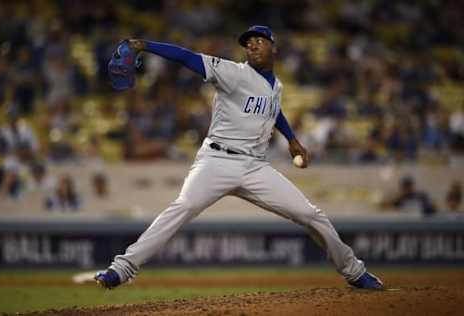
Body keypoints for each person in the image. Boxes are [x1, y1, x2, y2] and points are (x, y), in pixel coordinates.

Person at [95, 26, 383, 290]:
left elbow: (274, 109)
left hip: (255, 167)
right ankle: (122, 268)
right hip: (216, 161)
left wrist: (292, 139)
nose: (253, 46)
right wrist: (144, 45)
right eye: (249, 43)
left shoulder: (276, 85)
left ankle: (355, 272)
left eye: (260, 41)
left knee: (310, 215)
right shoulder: (234, 72)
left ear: (274, 49)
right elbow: (186, 57)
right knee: (182, 207)